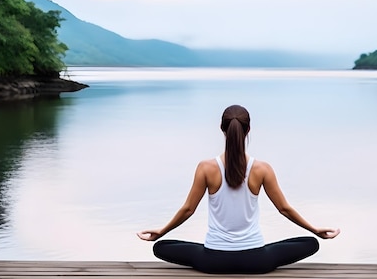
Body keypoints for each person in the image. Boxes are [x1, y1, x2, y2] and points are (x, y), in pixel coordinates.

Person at [137, 104, 340, 274]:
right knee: (310, 242)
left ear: (221, 128)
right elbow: (284, 209)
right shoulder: (262, 169)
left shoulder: (206, 168)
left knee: (161, 247)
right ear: (248, 129)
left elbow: (188, 210)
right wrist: (315, 229)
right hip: (256, 261)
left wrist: (161, 232)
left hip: (213, 262)